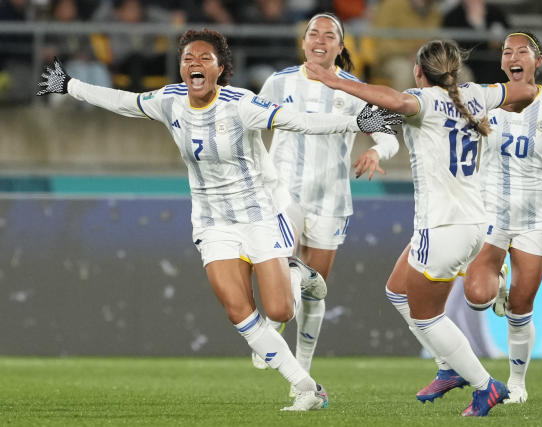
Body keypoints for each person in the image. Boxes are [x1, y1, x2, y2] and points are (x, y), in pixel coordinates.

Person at [36, 28, 400, 411]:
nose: (194, 64)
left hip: (259, 215)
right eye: (188, 59)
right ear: (180, 68)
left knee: (280, 311)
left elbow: (298, 121)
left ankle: (297, 274)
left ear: (220, 68)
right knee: (238, 311)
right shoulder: (169, 100)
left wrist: (358, 124)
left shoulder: (240, 103)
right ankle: (307, 388)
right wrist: (69, 85)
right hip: (213, 222)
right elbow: (123, 101)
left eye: (204, 58)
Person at [306, 39, 537, 417]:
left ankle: (484, 386)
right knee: (397, 291)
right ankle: (449, 366)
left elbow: (393, 101)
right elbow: (526, 89)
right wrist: (511, 98)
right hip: (475, 223)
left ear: (418, 72)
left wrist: (336, 80)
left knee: (427, 317)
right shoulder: (477, 94)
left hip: (442, 225)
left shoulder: (423, 101)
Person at [252, 12, 400, 386]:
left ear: (340, 45)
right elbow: (248, 124)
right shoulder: (279, 82)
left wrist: (376, 153)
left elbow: (389, 136)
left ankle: (301, 368)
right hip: (283, 191)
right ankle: (271, 324)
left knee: (314, 289)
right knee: (286, 271)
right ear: (303, 42)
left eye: (329, 35)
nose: (320, 39)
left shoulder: (352, 90)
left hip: (332, 199)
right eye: (313, 33)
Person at [463, 31, 542, 404]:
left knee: (521, 306)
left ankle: (516, 384)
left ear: (537, 61)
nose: (514, 56)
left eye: (523, 51)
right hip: (491, 212)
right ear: (502, 64)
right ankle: (495, 283)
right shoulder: (485, 102)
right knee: (478, 297)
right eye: (507, 52)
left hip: (536, 217)